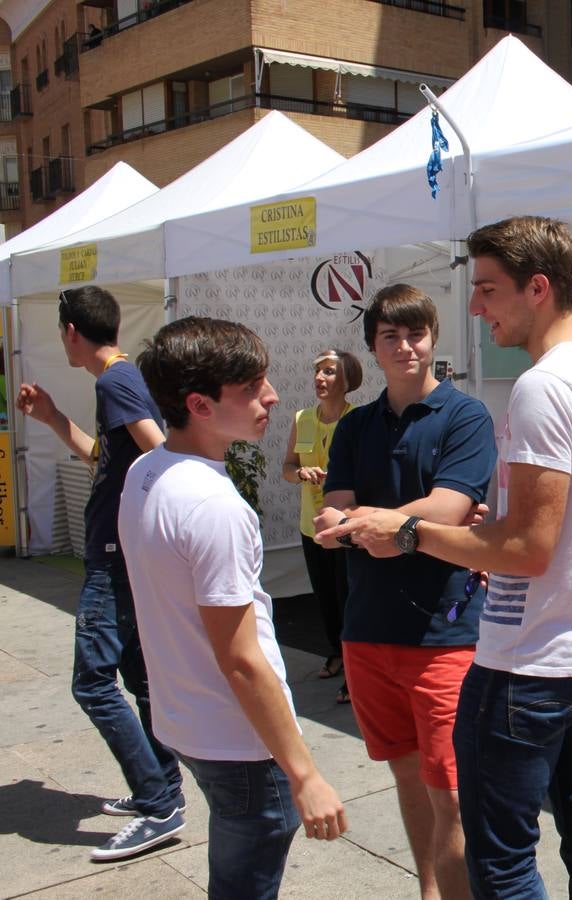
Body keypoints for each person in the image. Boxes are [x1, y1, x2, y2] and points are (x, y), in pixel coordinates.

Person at [321, 216, 572, 898]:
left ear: (537, 288)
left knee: (502, 861)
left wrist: (409, 531)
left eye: (486, 290)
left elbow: (527, 551)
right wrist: (508, 535)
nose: (475, 309)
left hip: (529, 663)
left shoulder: (543, 387)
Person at [118, 317, 347, 897]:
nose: (270, 396)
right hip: (237, 740)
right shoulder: (212, 505)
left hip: (189, 722)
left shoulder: (147, 472)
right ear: (198, 404)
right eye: (250, 388)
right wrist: (304, 773)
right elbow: (242, 660)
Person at [312, 284, 496, 900]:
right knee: (407, 778)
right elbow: (330, 520)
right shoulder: (355, 426)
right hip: (367, 632)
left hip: (444, 635)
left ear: (433, 339)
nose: (405, 346)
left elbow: (451, 504)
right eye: (390, 335)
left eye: (415, 333)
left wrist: (370, 525)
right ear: (373, 346)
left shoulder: (464, 416)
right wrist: (403, 527)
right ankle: (428, 890)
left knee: (453, 795)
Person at [16, 286, 185, 861]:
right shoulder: (118, 380)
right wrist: (54, 418)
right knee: (141, 681)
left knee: (93, 683)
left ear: (70, 331)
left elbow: (159, 452)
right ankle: (164, 794)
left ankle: (157, 801)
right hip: (121, 555)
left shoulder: (115, 380)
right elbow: (107, 460)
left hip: (115, 559)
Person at [282, 349, 362, 703]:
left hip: (345, 525)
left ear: (347, 380)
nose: (320, 379)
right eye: (317, 372)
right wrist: (300, 473)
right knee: (325, 596)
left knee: (350, 597)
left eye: (329, 372)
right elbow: (287, 467)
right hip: (310, 524)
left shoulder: (357, 420)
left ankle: (355, 670)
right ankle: (335, 651)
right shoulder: (302, 418)